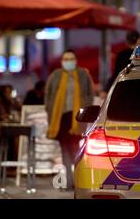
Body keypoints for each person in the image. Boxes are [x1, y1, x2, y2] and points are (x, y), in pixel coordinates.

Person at [45, 49, 94, 190]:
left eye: (71, 58)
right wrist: (49, 110)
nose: (68, 61)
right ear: (62, 61)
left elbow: (89, 94)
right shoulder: (55, 75)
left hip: (76, 118)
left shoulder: (83, 74)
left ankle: (78, 180)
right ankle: (69, 181)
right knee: (65, 150)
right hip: (60, 118)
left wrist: (86, 111)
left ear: (76, 60)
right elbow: (48, 95)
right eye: (65, 59)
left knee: (75, 150)